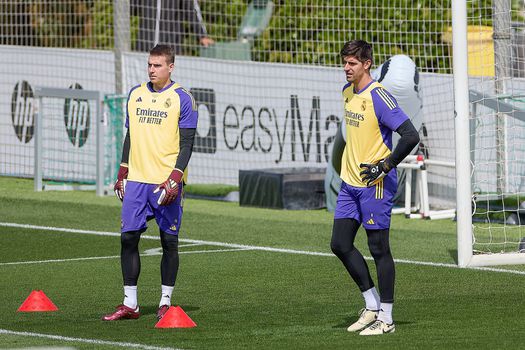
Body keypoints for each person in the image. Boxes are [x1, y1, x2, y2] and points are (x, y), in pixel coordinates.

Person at [103, 44, 198, 321]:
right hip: (137, 180)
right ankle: (130, 303)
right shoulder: (136, 94)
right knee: (128, 238)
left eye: (157, 65)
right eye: (149, 65)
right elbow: (130, 136)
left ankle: (165, 301)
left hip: (165, 182)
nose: (152, 70)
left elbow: (188, 143)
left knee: (169, 241)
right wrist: (123, 170)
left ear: (171, 67)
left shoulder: (183, 98)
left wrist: (175, 178)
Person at [330, 40, 420, 335]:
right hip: (350, 184)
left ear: (367, 64)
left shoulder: (380, 96)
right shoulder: (347, 92)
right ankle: (371, 306)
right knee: (339, 244)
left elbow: (410, 135)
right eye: (344, 62)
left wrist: (385, 165)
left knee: (378, 248)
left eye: (352, 63)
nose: (346, 68)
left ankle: (388, 319)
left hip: (375, 185)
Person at [132, 0, 214, 54]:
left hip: (170, 47)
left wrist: (202, 35)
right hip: (144, 46)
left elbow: (191, 9)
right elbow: (130, 7)